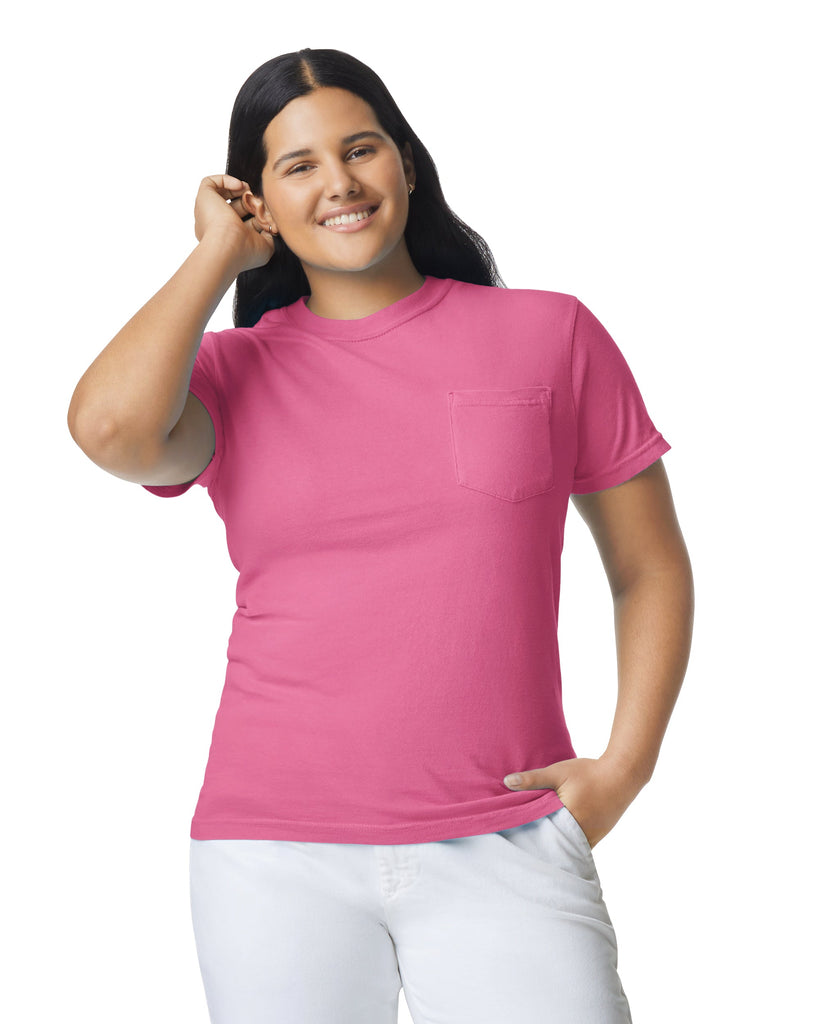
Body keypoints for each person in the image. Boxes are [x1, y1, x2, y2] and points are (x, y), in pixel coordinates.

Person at [67, 47, 694, 1024]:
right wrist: (214, 255)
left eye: (359, 149)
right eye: (299, 165)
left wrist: (625, 768)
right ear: (258, 201)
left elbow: (647, 566)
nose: (340, 183)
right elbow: (109, 431)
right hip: (271, 853)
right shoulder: (228, 374)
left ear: (404, 159)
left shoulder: (549, 334)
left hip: (508, 836)